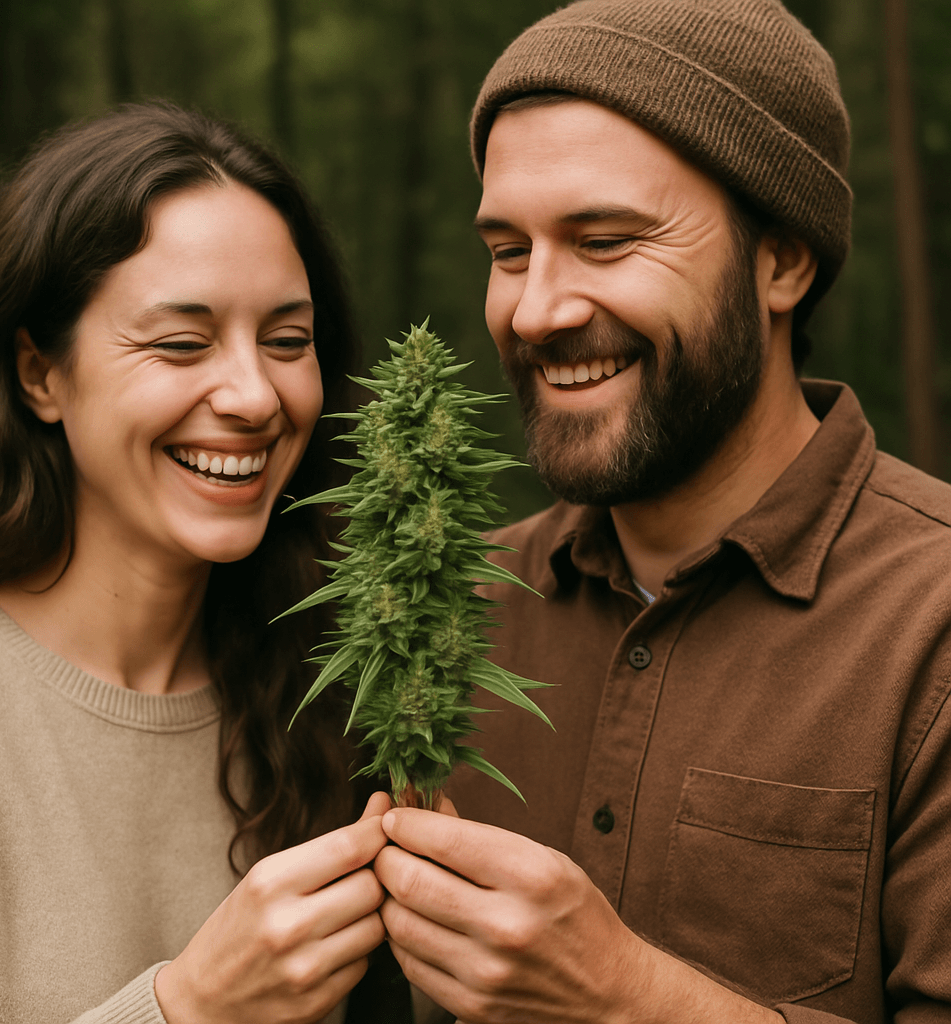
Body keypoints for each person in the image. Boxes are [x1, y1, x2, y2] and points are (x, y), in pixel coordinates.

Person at [372, 2, 951, 1023]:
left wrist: (629, 996)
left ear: (782, 262)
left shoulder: (928, 625)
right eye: (508, 251)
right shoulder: (440, 613)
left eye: (603, 240)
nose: (538, 310)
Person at [0, 103, 404, 1024]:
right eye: (181, 343)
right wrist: (187, 1009)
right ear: (40, 374)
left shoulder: (337, 692)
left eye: (288, 341)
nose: (255, 396)